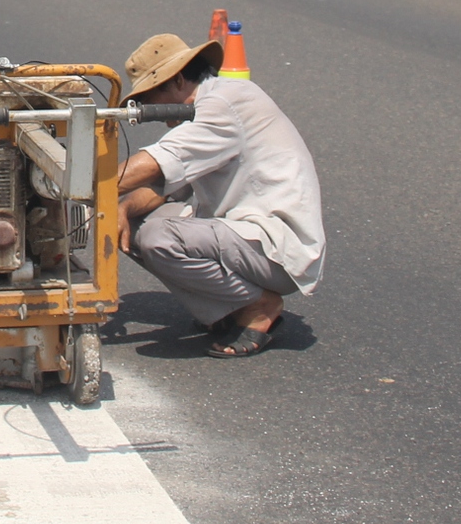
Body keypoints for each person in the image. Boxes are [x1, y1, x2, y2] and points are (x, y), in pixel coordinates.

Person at [115, 32, 326, 358]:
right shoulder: (207, 108)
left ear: (178, 80)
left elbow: (156, 163)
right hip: (243, 238)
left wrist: (79, 184)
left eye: (148, 97)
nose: (147, 109)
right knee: (125, 222)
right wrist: (123, 207)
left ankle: (257, 306)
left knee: (158, 237)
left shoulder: (223, 105)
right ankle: (230, 305)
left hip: (276, 247)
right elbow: (165, 187)